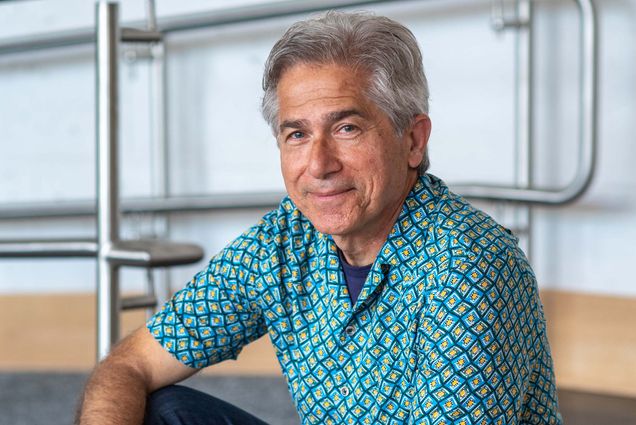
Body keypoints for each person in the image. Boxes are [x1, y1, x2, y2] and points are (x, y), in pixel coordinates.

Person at [76, 10, 562, 425]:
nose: (319, 165)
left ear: (413, 140)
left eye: (347, 128)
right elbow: (131, 364)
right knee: (161, 410)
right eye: (297, 135)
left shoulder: (469, 268)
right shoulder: (284, 241)